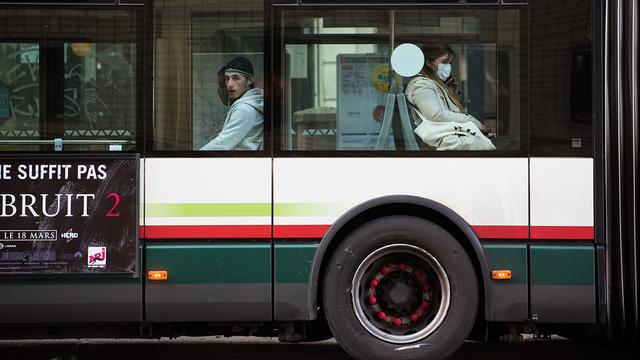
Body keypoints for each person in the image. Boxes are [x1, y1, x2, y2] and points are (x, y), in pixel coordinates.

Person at [405, 42, 495, 151]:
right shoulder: (422, 85)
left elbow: (452, 113)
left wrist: (451, 94)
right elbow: (436, 114)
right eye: (444, 62)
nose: (448, 66)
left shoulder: (435, 84)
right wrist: (473, 121)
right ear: (429, 62)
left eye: (450, 63)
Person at [200, 57, 263, 150]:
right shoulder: (252, 102)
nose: (229, 84)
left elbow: (222, 144)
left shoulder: (244, 109)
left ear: (249, 81)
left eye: (236, 78)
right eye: (227, 78)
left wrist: (195, 157)